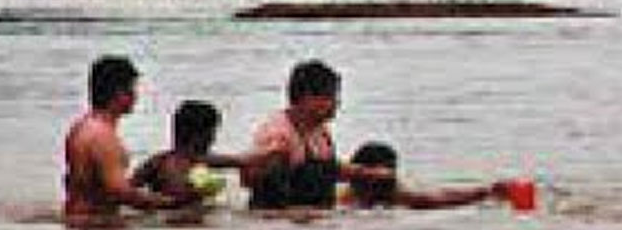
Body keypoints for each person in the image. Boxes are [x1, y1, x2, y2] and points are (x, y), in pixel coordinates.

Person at [240, 59, 383, 210]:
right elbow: (248, 179)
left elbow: (329, 171)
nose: (337, 103)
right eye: (331, 97)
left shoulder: (319, 130)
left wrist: (366, 173)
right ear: (307, 98)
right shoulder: (278, 134)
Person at [61, 56, 184, 225]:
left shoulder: (82, 127)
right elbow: (120, 192)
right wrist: (171, 202)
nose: (136, 96)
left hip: (80, 218)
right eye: (132, 89)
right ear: (119, 93)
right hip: (95, 223)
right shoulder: (102, 137)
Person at [130, 100, 255, 206]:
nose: (213, 139)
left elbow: (126, 191)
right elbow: (243, 161)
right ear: (203, 136)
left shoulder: (157, 161)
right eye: (213, 133)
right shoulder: (203, 160)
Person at [342, 142, 520, 210]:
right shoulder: (347, 197)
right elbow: (436, 199)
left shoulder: (346, 196)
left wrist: (484, 193)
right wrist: (485, 193)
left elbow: (438, 198)